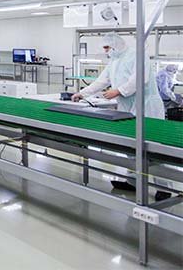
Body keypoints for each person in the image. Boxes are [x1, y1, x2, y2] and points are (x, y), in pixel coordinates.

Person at [72, 32, 169, 199]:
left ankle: (163, 187)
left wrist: (118, 91)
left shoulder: (137, 55)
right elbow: (102, 81)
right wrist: (82, 93)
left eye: (107, 47)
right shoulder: (114, 60)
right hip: (127, 106)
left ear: (116, 44)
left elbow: (140, 79)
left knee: (152, 147)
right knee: (131, 145)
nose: (106, 51)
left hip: (147, 106)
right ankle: (133, 182)